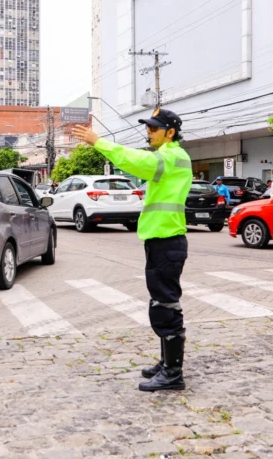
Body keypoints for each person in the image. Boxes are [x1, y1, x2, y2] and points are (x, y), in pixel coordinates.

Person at [74, 108, 192, 392]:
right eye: (148, 127)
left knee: (166, 305)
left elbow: (135, 161)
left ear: (170, 132)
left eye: (154, 128)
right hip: (160, 240)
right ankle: (166, 363)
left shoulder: (172, 156)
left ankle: (173, 373)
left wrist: (98, 142)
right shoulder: (169, 157)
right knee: (160, 303)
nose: (148, 132)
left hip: (167, 241)